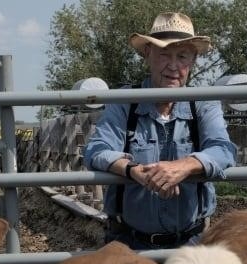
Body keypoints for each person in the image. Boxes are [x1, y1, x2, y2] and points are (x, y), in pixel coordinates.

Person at [83, 11, 237, 250]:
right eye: (164, 54)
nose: (173, 66)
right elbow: (96, 149)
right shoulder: (125, 101)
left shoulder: (204, 102)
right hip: (128, 242)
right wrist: (134, 171)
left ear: (193, 59)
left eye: (182, 56)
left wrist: (183, 166)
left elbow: (223, 150)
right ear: (147, 54)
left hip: (192, 241)